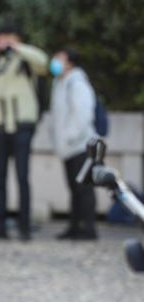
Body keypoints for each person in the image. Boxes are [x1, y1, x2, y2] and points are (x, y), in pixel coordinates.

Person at [0, 24, 49, 241]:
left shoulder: (25, 60)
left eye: (8, 38)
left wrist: (17, 48)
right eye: (0, 38)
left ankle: (24, 226)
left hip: (22, 123)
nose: (3, 42)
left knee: (22, 176)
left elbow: (43, 62)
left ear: (17, 39)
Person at [49, 47, 98, 240]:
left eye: (59, 58)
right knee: (74, 188)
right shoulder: (59, 83)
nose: (55, 61)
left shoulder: (77, 83)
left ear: (70, 63)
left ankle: (89, 229)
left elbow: (83, 114)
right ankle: (75, 227)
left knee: (84, 189)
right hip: (67, 147)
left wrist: (69, 136)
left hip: (81, 145)